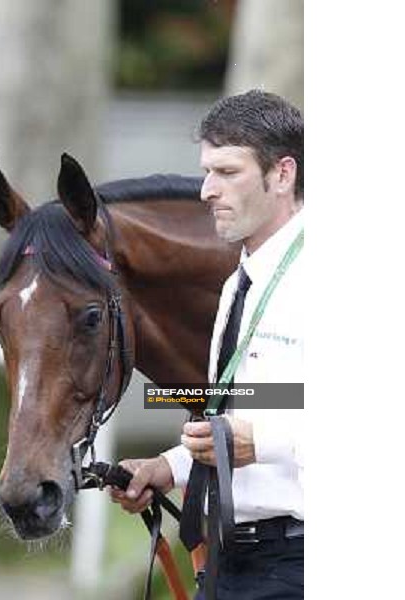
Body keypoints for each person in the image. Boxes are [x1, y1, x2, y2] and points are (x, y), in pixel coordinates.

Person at [110, 89, 304, 599]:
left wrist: (257, 444)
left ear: (282, 175)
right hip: (233, 562)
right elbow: (259, 409)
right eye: (206, 171)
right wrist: (168, 468)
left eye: (227, 172)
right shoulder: (237, 282)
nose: (206, 191)